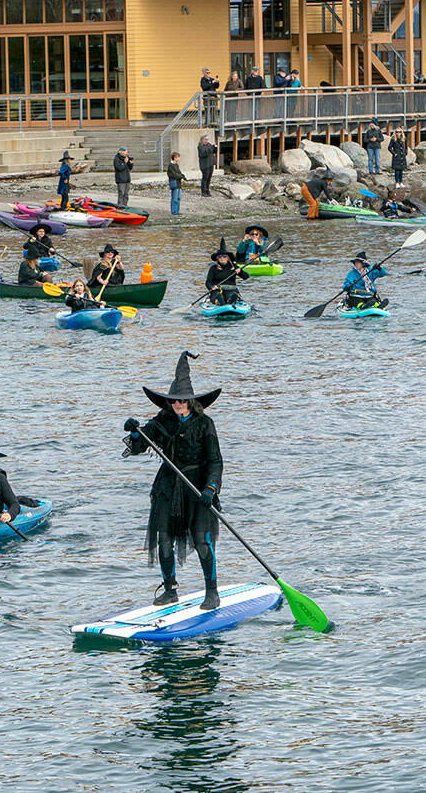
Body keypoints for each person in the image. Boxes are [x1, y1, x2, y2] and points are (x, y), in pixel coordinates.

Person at [122, 350, 225, 609]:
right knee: (164, 539)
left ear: (191, 402)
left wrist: (211, 488)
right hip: (169, 486)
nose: (178, 406)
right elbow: (140, 446)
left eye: (182, 402)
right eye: (174, 402)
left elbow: (215, 461)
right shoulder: (163, 420)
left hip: (198, 487)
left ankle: (211, 592)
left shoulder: (205, 424)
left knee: (202, 540)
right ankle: (170, 590)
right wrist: (135, 432)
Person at [206, 238, 248, 305]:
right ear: (217, 258)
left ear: (228, 258)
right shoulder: (213, 268)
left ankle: (231, 301)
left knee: (232, 295)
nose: (222, 258)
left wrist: (240, 272)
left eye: (224, 256)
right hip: (218, 290)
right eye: (220, 257)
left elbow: (246, 276)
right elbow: (208, 282)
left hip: (231, 290)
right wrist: (212, 287)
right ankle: (220, 301)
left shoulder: (233, 266)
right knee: (218, 295)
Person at [167, 151, 184, 215]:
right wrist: (180, 176)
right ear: (174, 158)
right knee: (174, 199)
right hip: (174, 184)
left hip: (179, 184)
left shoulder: (176, 165)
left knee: (178, 198)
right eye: (177, 157)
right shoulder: (170, 165)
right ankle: (174, 212)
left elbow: (179, 173)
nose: (178, 159)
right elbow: (174, 175)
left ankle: (177, 211)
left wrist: (181, 175)